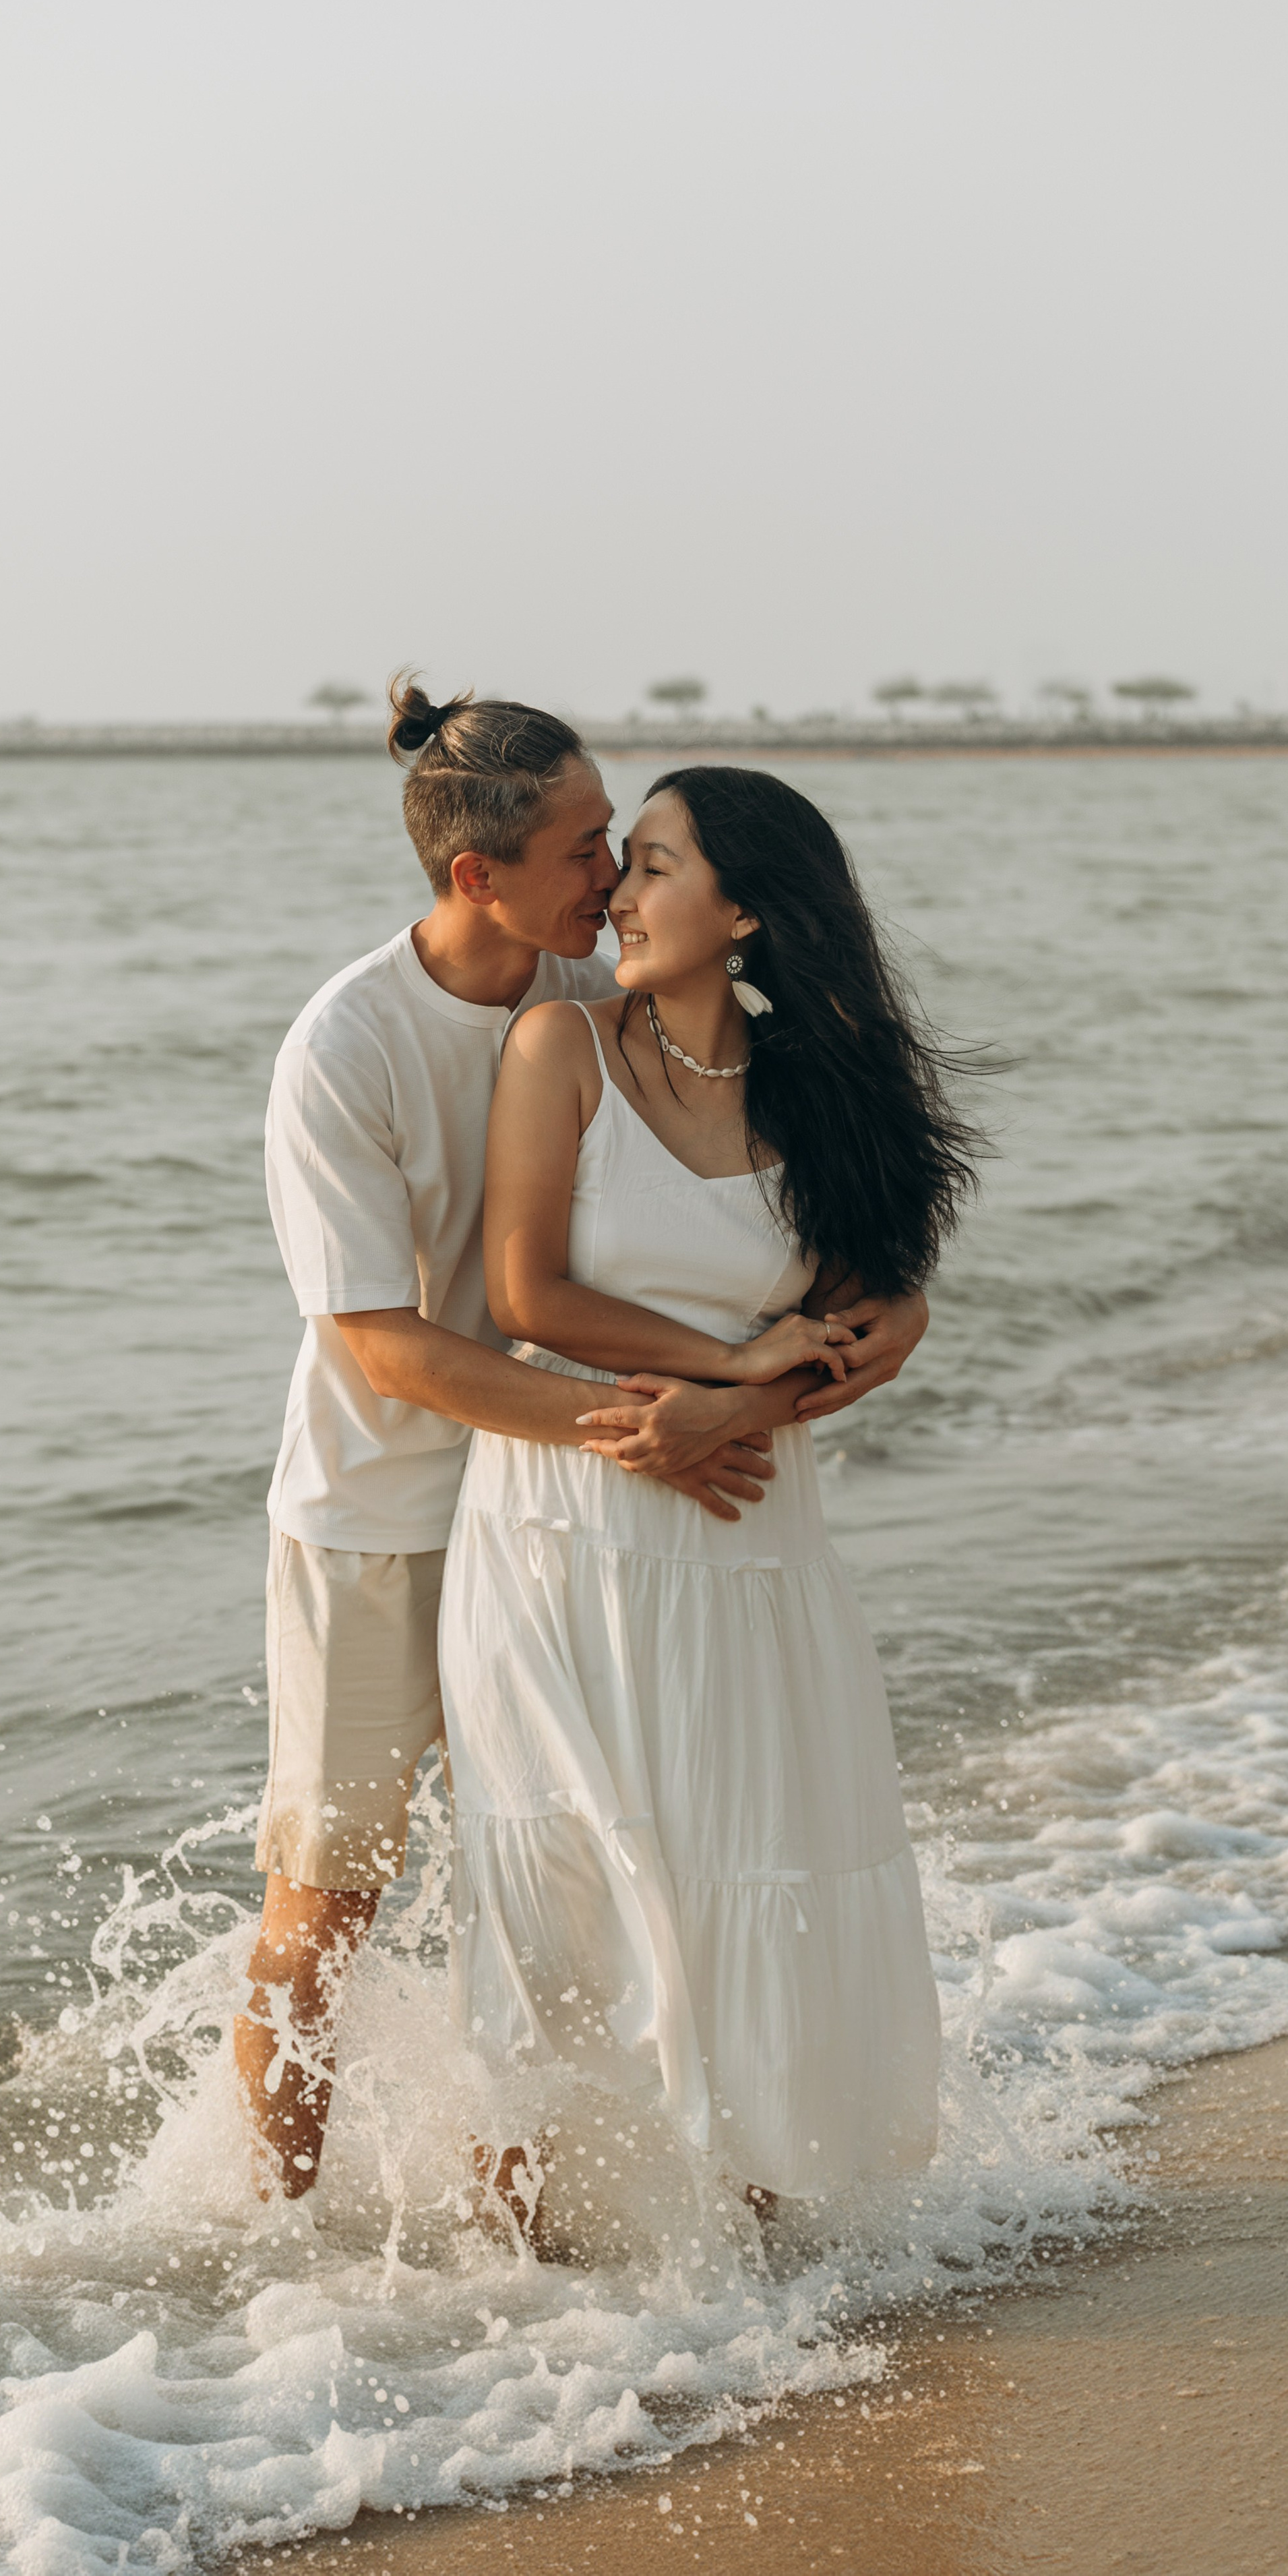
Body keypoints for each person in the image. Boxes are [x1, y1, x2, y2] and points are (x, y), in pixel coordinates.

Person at [236, 692, 931, 2196]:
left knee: (594, 1872)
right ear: (475, 875)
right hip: (374, 1513)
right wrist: (660, 1428)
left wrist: (856, 1322)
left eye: (624, 840)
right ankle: (272, 2262)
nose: (610, 873)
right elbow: (388, 1345)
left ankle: (644, 2193)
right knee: (325, 1906)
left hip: (562, 1515)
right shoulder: (345, 1047)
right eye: (582, 846)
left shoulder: (597, 985)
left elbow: (796, 1197)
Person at [439, 764, 979, 2228]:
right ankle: (515, 2282)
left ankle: (743, 2251)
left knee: (745, 1872)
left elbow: (875, 1321)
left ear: (743, 910)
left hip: (747, 1535)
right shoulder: (557, 1046)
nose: (615, 892)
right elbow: (524, 1290)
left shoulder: (828, 1086)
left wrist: (734, 1409)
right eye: (620, 864)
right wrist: (713, 1372)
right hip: (563, 1522)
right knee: (548, 1884)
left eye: (655, 865)